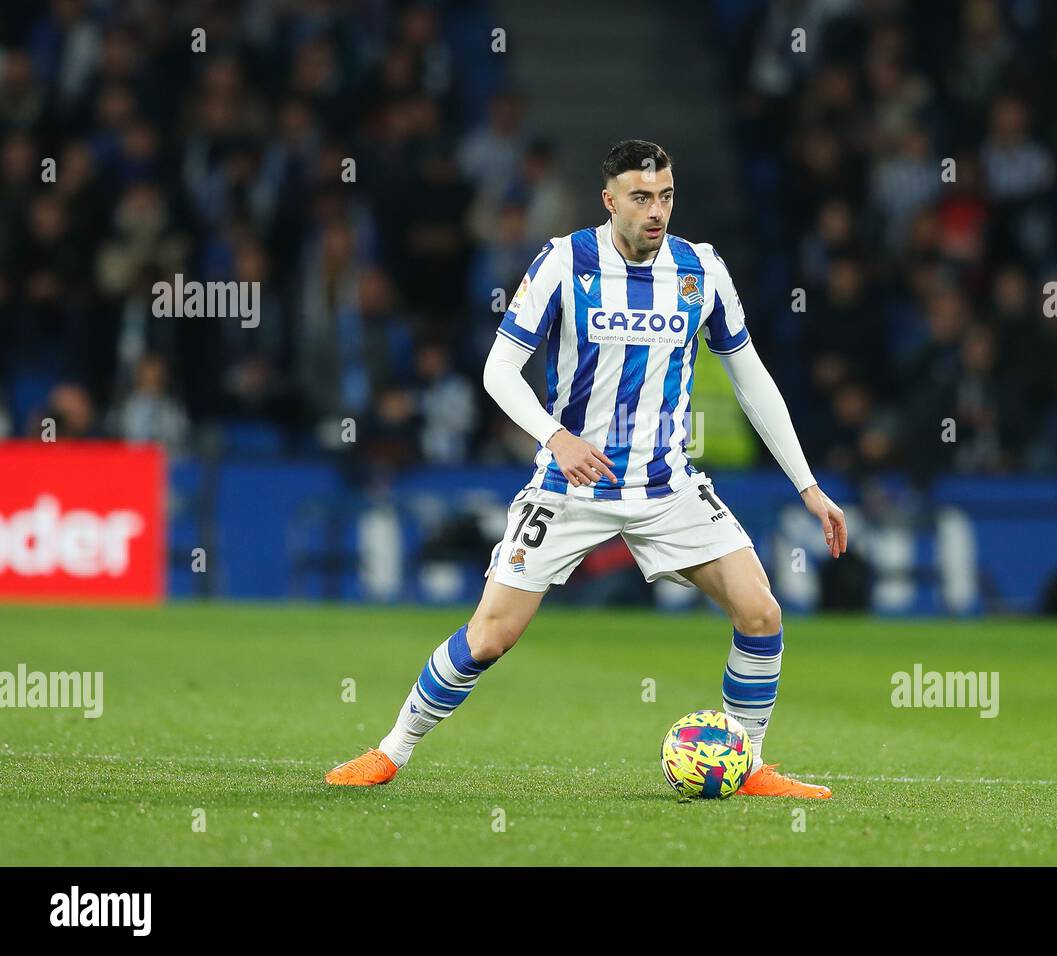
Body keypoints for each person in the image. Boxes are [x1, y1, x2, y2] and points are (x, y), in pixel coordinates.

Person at [326, 141, 848, 798]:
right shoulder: (563, 262)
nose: (655, 210)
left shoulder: (702, 270)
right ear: (609, 200)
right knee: (491, 636)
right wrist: (555, 436)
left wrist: (808, 486)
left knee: (761, 612)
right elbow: (498, 370)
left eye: (665, 196)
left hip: (667, 487)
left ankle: (745, 764)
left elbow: (752, 379)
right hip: (572, 486)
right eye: (639, 197)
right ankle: (389, 753)